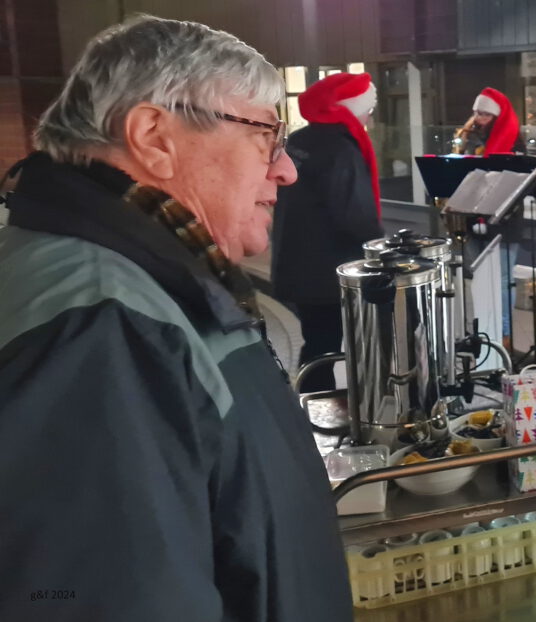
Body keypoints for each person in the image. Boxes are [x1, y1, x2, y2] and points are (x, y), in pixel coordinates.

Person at [0, 16, 353, 621]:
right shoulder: (101, 327)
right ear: (154, 136)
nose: (286, 169)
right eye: (266, 134)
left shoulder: (134, 279)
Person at [272, 72, 384, 392]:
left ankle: (312, 405)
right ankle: (317, 412)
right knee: (326, 346)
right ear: (353, 109)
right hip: (328, 271)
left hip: (298, 264)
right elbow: (355, 214)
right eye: (368, 109)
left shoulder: (301, 140)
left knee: (318, 342)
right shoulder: (341, 150)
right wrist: (382, 249)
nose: (368, 116)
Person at [452, 87, 523, 347]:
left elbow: (517, 178)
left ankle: (503, 336)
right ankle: (482, 330)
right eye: (476, 112)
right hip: (473, 217)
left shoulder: (514, 138)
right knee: (481, 277)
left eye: (484, 113)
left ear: (495, 116)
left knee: (503, 280)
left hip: (504, 218)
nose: (477, 117)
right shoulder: (468, 136)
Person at [453, 86, 523, 155]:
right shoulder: (468, 133)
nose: (480, 118)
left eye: (487, 114)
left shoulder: (512, 139)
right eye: (478, 113)